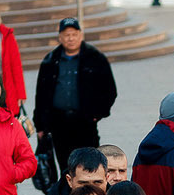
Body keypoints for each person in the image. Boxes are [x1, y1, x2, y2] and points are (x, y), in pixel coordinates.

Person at [35, 19, 117, 170]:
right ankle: (67, 194)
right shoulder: (50, 60)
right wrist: (40, 125)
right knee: (65, 167)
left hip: (85, 123)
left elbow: (110, 90)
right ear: (60, 37)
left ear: (80, 35)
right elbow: (41, 95)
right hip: (59, 123)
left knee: (89, 166)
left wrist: (97, 114)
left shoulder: (95, 58)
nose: (70, 38)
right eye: (67, 35)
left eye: (74, 34)